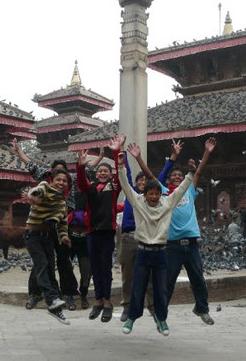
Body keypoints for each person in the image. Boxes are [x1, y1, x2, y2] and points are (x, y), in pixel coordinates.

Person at [117, 147, 196, 336]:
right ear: (144, 194)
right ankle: (131, 318)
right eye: (150, 193)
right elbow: (126, 185)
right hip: (143, 252)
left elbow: (182, 189)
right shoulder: (137, 202)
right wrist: (120, 166)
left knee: (161, 289)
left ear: (161, 193)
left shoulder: (168, 203)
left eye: (156, 193)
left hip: (161, 253)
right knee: (138, 286)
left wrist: (191, 172)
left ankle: (161, 319)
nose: (153, 197)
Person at [159, 137, 217, 326]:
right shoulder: (164, 193)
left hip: (192, 243)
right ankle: (161, 315)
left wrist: (207, 152)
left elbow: (198, 171)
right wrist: (174, 156)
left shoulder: (189, 190)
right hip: (173, 245)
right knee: (168, 282)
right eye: (173, 175)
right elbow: (158, 177)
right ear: (169, 179)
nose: (176, 177)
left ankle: (202, 308)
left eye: (179, 175)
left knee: (198, 279)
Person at [118, 142, 170, 322]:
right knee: (128, 275)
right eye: (139, 181)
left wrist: (171, 160)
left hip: (147, 241)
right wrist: (122, 152)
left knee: (150, 278)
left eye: (144, 181)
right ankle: (127, 306)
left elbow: (161, 179)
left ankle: (153, 307)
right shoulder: (132, 195)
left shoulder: (153, 200)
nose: (141, 182)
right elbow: (125, 175)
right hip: (128, 238)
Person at [76, 135, 122, 322]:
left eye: (106, 171)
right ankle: (98, 301)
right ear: (96, 174)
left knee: (106, 267)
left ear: (110, 174)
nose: (103, 173)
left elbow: (121, 174)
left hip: (107, 231)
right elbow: (80, 182)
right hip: (92, 232)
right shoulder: (91, 189)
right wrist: (80, 166)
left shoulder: (114, 187)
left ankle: (108, 302)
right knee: (95, 268)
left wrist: (116, 151)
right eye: (100, 171)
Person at [24, 169, 72, 325]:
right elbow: (37, 191)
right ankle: (51, 299)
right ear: (52, 180)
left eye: (64, 181)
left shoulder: (62, 202)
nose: (61, 183)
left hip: (48, 238)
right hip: (33, 236)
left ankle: (55, 309)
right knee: (42, 265)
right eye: (58, 180)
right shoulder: (45, 186)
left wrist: (64, 237)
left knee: (51, 269)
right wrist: (32, 197)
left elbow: (62, 224)